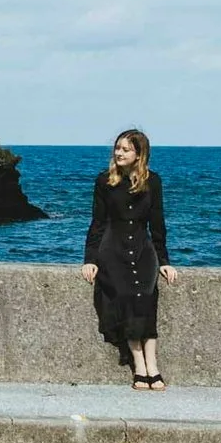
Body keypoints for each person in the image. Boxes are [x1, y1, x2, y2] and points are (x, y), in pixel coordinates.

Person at [80, 128, 178, 389]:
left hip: (144, 251)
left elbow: (158, 225)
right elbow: (98, 223)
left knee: (146, 297)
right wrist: (90, 258)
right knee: (124, 296)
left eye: (125, 149)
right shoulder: (105, 181)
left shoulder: (153, 182)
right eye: (117, 148)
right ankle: (140, 365)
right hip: (113, 250)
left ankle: (153, 364)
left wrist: (164, 261)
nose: (119, 153)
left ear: (139, 154)